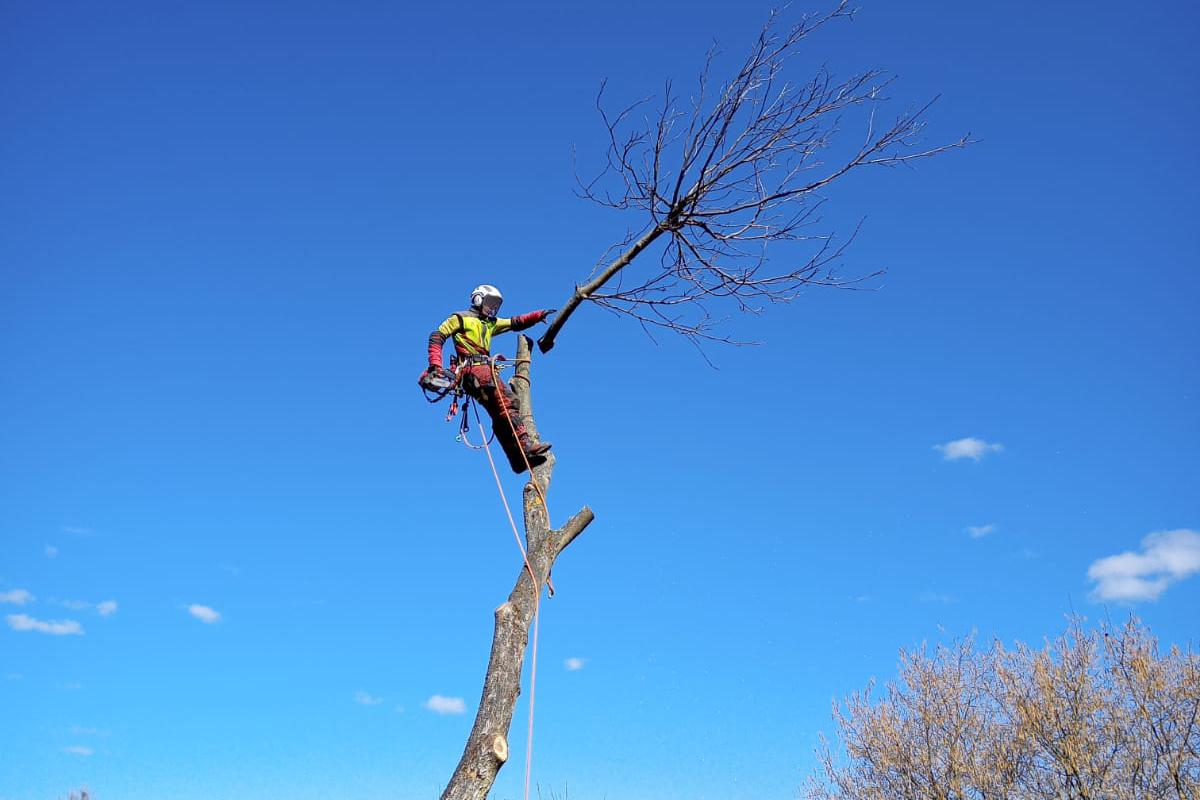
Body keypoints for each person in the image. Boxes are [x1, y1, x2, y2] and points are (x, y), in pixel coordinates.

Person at [425, 284, 555, 473]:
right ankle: (525, 445)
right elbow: (437, 336)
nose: (492, 307)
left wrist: (537, 315)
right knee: (507, 402)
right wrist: (436, 365)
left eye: (495, 304)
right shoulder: (460, 318)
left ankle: (517, 460)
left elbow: (514, 322)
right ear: (478, 299)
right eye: (490, 302)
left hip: (482, 373)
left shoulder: (489, 323)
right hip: (475, 370)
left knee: (501, 413)